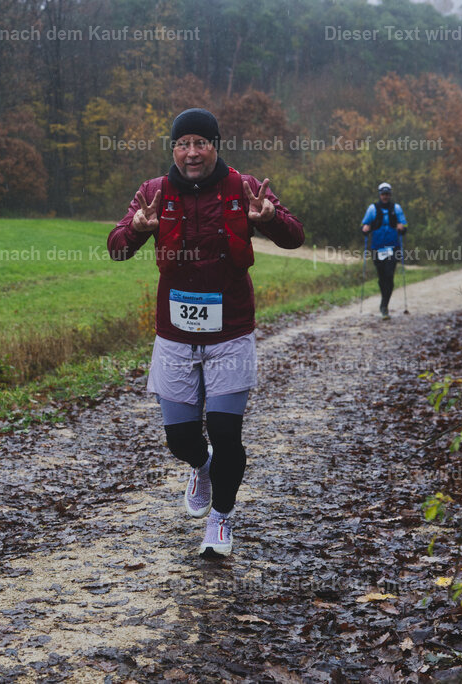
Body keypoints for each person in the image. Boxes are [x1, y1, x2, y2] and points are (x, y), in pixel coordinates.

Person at [108, 108, 304, 558]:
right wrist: (137, 230)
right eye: (183, 143)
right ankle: (202, 465)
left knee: (226, 431)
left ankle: (221, 519)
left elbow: (295, 237)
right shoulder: (152, 192)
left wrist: (270, 217)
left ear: (217, 145)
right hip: (175, 334)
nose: (192, 152)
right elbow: (117, 249)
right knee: (180, 439)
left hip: (230, 331)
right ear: (173, 149)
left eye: (201, 142)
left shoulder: (243, 188)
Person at [360, 182, 407, 319]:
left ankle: (384, 305)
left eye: (387, 194)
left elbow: (404, 226)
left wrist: (402, 228)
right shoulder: (372, 209)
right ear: (379, 194)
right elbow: (364, 225)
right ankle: (384, 299)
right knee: (382, 278)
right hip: (377, 248)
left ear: (390, 194)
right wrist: (365, 229)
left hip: (393, 247)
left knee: (389, 275)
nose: (385, 196)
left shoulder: (396, 208)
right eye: (383, 194)